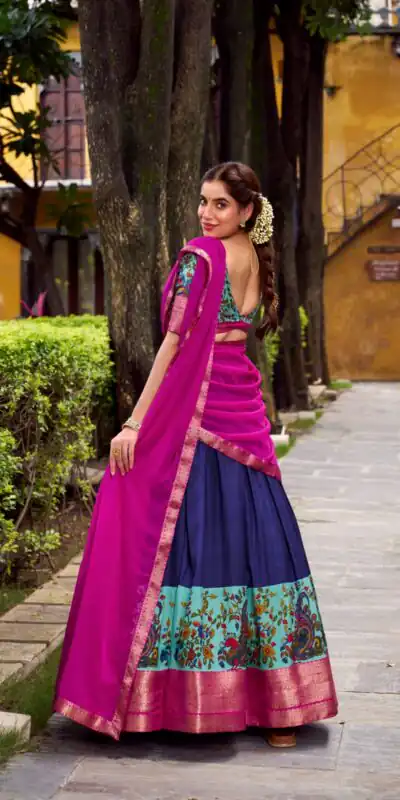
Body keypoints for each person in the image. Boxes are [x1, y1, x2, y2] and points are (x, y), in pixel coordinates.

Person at [54, 162, 337, 748]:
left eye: (220, 204)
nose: (207, 214)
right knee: (255, 542)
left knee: (166, 532)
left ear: (247, 211)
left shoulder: (200, 259)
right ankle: (278, 707)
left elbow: (174, 344)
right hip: (243, 413)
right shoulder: (257, 260)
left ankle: (170, 701)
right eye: (203, 202)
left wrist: (134, 423)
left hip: (201, 410)